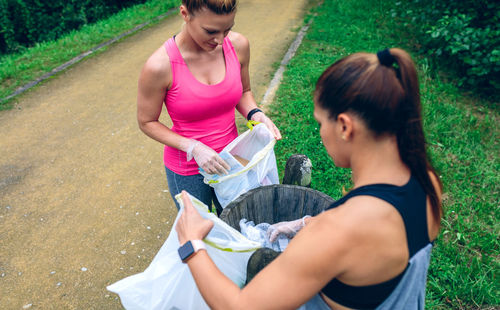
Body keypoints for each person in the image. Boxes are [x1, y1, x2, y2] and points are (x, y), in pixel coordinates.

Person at [175, 47, 443, 309]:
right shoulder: (426, 183)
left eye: (320, 122)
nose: (321, 132)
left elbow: (239, 305)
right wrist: (306, 223)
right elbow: (375, 240)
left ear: (344, 126)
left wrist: (192, 244)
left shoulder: (336, 232)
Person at [137, 0, 281, 215]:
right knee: (202, 235)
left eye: (228, 29)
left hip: (231, 160)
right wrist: (193, 147)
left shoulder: (238, 45)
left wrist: (255, 113)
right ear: (185, 14)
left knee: (241, 224)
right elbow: (147, 122)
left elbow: (244, 91)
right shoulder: (159, 66)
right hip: (187, 170)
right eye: (211, 31)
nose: (221, 40)